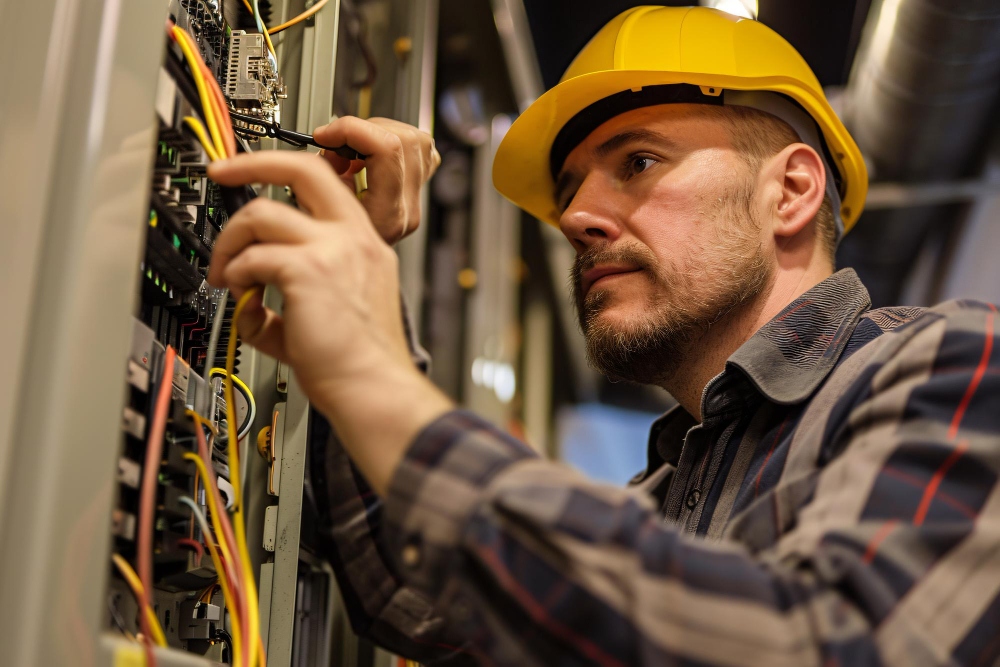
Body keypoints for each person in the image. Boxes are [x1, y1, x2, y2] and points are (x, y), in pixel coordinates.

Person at [207, 6, 1000, 666]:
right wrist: (358, 290)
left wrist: (377, 378)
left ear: (790, 191)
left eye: (639, 161)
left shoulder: (953, 367)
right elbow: (426, 608)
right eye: (570, 190)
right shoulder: (668, 493)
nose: (577, 218)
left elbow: (825, 643)